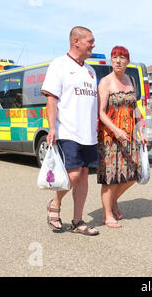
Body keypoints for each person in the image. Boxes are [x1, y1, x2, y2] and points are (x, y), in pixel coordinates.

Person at [41, 26, 99, 236]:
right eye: (90, 41)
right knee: (73, 173)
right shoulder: (59, 65)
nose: (93, 45)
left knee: (83, 174)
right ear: (76, 41)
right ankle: (54, 205)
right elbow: (51, 98)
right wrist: (51, 128)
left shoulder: (90, 71)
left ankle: (77, 221)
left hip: (88, 133)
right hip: (67, 130)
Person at [97, 46, 148, 228]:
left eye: (122, 58)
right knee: (111, 177)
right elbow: (101, 112)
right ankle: (107, 214)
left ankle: (112, 201)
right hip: (111, 137)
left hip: (130, 135)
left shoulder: (130, 80)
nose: (118, 61)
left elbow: (134, 108)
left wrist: (141, 131)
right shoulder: (105, 82)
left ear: (128, 61)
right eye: (114, 57)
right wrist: (116, 130)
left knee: (134, 174)